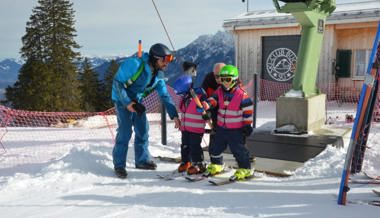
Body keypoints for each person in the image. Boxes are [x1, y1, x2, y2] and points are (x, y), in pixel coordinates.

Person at [111, 43, 181, 179]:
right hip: (121, 99)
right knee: (125, 132)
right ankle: (119, 165)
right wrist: (127, 103)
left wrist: (174, 115)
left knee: (143, 129)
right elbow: (117, 83)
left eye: (169, 60)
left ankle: (141, 161)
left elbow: (165, 95)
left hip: (137, 100)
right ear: (155, 59)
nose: (167, 64)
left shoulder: (159, 75)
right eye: (164, 60)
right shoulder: (134, 64)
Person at [202, 64, 254, 180]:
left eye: (228, 79)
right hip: (221, 127)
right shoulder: (219, 91)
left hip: (236, 130)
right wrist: (208, 104)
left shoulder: (241, 94)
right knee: (215, 147)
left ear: (234, 79)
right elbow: (213, 99)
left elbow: (248, 110)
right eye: (222, 79)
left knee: (238, 150)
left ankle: (245, 168)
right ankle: (217, 165)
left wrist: (247, 125)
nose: (225, 82)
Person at [173, 73, 208, 175]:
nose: (181, 95)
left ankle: (199, 164)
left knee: (195, 147)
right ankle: (186, 161)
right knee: (185, 146)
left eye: (182, 93)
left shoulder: (200, 95)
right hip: (185, 128)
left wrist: (204, 108)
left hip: (196, 129)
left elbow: (206, 107)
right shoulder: (185, 98)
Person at [201, 63, 225, 152]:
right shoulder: (209, 78)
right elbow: (202, 93)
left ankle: (244, 155)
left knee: (236, 132)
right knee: (215, 128)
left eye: (220, 76)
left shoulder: (232, 77)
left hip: (228, 107)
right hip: (212, 105)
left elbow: (239, 93)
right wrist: (205, 109)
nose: (217, 79)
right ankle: (213, 150)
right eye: (215, 76)